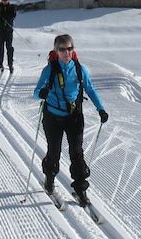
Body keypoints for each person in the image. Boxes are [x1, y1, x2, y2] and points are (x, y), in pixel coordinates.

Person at [33, 34, 108, 207]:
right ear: (56, 51)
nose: (66, 52)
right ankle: (49, 179)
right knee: (54, 150)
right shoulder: (49, 69)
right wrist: (41, 93)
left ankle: (81, 189)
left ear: (73, 50)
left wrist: (101, 109)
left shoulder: (80, 70)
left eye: (69, 49)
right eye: (62, 49)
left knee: (76, 152)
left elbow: (90, 89)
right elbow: (36, 91)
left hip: (74, 117)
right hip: (52, 117)